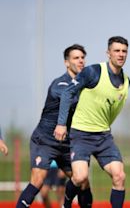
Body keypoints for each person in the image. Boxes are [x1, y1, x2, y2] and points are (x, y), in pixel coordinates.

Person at [54, 36, 130, 208]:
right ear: (108, 53)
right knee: (80, 177)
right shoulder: (93, 72)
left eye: (124, 51)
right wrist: (61, 124)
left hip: (103, 137)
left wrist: (104, 126)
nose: (121, 54)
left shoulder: (126, 82)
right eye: (116, 50)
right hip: (81, 135)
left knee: (119, 176)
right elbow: (67, 93)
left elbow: (112, 111)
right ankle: (65, 204)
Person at [16, 44, 92, 208]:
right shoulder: (61, 84)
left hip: (67, 144)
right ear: (66, 62)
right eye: (75, 58)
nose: (80, 61)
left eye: (82, 58)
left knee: (83, 180)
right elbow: (69, 97)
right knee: (37, 180)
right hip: (45, 141)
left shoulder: (84, 87)